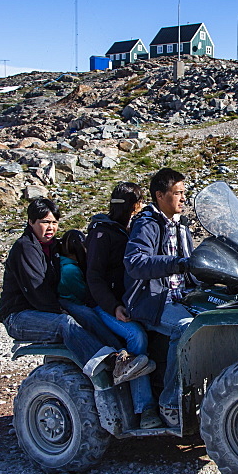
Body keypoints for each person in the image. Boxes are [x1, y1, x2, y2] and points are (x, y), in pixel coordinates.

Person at [0, 198, 143, 379]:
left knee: (87, 313)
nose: (50, 227)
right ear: (31, 222)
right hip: (19, 315)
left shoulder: (52, 247)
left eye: (54, 222)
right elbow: (36, 291)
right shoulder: (25, 248)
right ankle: (109, 362)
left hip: (45, 305)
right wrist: (62, 310)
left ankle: (122, 355)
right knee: (65, 323)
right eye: (44, 222)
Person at [123, 168, 196, 427]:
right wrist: (175, 263)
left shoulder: (180, 225)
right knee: (186, 328)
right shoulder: (147, 223)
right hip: (152, 301)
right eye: (178, 193)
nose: (183, 198)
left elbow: (191, 265)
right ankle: (170, 402)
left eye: (184, 193)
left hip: (181, 297)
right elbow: (135, 262)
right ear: (160, 195)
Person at [84, 182, 161, 429]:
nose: (139, 209)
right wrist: (113, 306)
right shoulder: (102, 233)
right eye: (137, 204)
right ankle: (145, 409)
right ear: (132, 206)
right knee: (136, 336)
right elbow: (93, 277)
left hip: (131, 302)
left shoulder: (130, 229)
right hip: (105, 305)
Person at [59, 229, 155, 390]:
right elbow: (84, 294)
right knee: (132, 333)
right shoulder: (71, 271)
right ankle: (123, 366)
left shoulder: (64, 266)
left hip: (84, 305)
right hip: (85, 307)